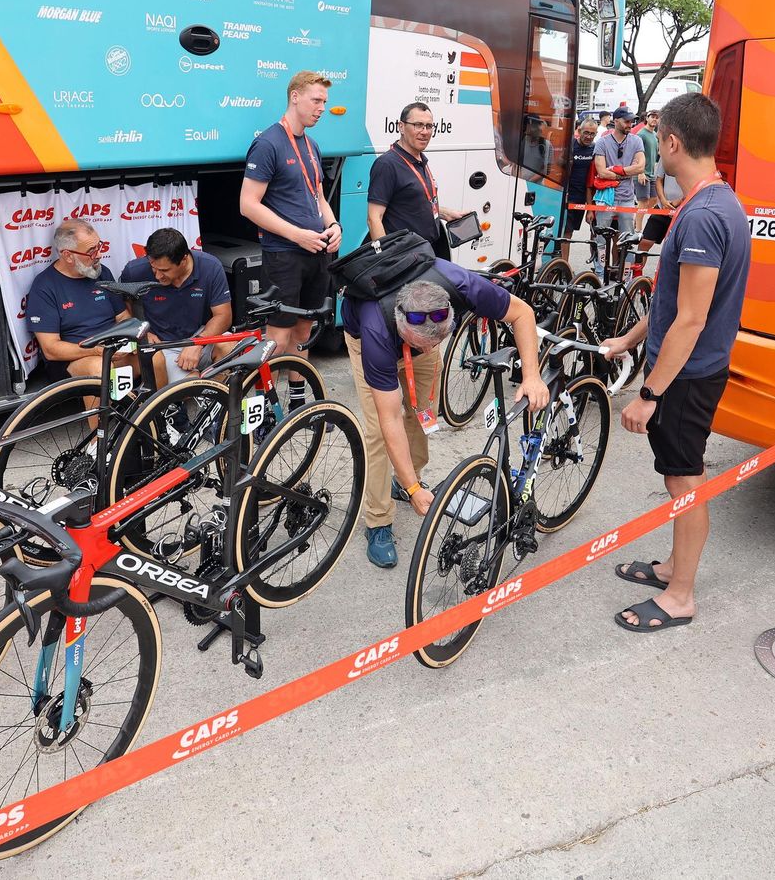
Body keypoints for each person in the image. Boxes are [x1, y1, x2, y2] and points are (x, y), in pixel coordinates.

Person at [600, 92, 751, 633]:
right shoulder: (716, 202)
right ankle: (673, 569)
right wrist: (630, 339)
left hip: (686, 377)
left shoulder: (706, 216)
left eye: (657, 137)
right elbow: (672, 300)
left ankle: (681, 596)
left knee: (686, 483)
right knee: (679, 480)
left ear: (671, 142)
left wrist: (649, 394)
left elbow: (691, 319)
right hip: (687, 368)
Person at [345, 261, 549, 568]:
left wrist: (532, 375)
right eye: (421, 344)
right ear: (403, 327)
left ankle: (405, 480)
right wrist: (417, 491)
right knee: (378, 433)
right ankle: (378, 522)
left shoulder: (461, 285)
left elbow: (522, 313)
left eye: (437, 342)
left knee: (423, 413)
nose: (429, 350)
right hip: (367, 339)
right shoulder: (376, 331)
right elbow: (390, 419)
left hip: (416, 328)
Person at [240, 70, 342, 409]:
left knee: (304, 331)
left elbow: (319, 197)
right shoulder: (268, 143)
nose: (321, 108)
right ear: (295, 97)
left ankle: (297, 401)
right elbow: (248, 205)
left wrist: (333, 224)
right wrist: (296, 235)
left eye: (324, 102)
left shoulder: (311, 145)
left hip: (316, 253)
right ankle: (263, 407)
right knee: (279, 337)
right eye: (316, 100)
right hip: (284, 254)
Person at [118, 227, 234, 388]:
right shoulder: (134, 271)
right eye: (153, 267)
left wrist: (197, 343)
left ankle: (215, 404)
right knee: (191, 384)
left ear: (184, 259)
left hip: (201, 335)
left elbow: (223, 315)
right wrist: (140, 331)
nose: (157, 276)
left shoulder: (210, 266)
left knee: (229, 347)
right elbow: (121, 309)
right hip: (163, 345)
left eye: (164, 270)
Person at [26, 219, 131, 383]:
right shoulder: (44, 287)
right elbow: (51, 349)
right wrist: (96, 351)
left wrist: (131, 338)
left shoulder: (102, 273)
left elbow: (123, 317)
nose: (99, 255)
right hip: (73, 360)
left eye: (99, 246)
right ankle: (103, 410)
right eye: (91, 251)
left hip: (111, 350)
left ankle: (157, 408)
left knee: (154, 357)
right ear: (67, 255)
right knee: (100, 368)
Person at [368, 102, 467, 258]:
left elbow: (409, 202)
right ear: (401, 127)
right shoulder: (387, 164)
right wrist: (388, 261)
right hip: (405, 257)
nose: (425, 132)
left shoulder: (420, 159)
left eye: (429, 126)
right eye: (418, 125)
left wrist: (446, 213)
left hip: (427, 252)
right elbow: (374, 218)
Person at [589, 106, 645, 280]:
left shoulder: (636, 140)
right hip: (606, 197)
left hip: (627, 198)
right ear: (616, 121)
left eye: (631, 120)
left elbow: (641, 166)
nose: (630, 124)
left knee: (627, 239)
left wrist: (617, 170)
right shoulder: (603, 142)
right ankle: (599, 273)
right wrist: (628, 172)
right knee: (601, 238)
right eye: (627, 121)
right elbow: (601, 171)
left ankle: (625, 276)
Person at [556, 118, 599, 256]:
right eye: (586, 133)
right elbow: (559, 169)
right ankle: (564, 267)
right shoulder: (570, 146)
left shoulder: (594, 148)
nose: (588, 137)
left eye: (592, 134)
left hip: (583, 196)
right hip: (567, 196)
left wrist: (590, 206)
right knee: (565, 233)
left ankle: (561, 265)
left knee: (571, 232)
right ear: (579, 131)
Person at [635, 110, 660, 208]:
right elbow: (635, 153)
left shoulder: (655, 134)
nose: (654, 119)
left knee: (654, 199)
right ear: (646, 118)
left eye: (657, 117)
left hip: (652, 173)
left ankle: (638, 218)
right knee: (643, 201)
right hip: (643, 173)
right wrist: (640, 173)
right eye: (652, 117)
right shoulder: (641, 134)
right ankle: (637, 223)